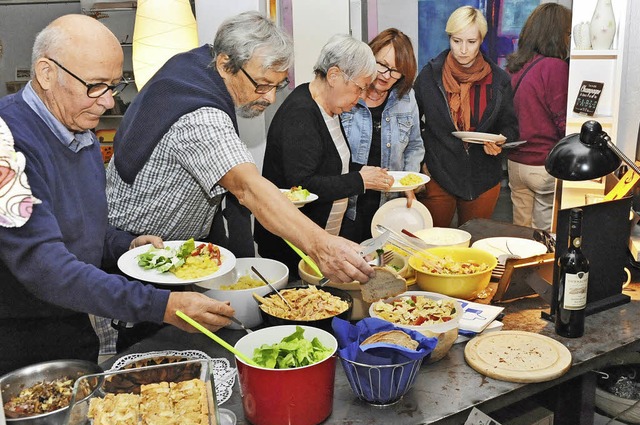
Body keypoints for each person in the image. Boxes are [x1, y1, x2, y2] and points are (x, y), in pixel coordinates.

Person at [0, 15, 236, 375]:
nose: (109, 102)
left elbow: (80, 224)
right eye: (95, 86)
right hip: (19, 337)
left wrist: (123, 245)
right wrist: (161, 305)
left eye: (114, 85)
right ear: (47, 74)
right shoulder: (8, 144)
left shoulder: (79, 129)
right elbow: (44, 265)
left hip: (70, 319)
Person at [106, 12, 374, 287]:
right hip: (137, 257)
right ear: (225, 64)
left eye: (277, 85)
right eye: (261, 84)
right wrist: (321, 245)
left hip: (170, 249)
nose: (270, 97)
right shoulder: (202, 115)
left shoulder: (195, 66)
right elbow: (247, 188)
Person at [254, 34, 392, 275]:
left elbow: (333, 164)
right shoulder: (301, 114)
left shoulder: (329, 107)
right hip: (291, 246)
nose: (360, 97)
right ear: (334, 76)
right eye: (359, 88)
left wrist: (373, 174)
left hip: (321, 240)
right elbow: (302, 185)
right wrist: (360, 180)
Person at [413, 6, 519, 228]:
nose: (462, 50)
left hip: (483, 178)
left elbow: (510, 126)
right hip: (438, 175)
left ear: (481, 40)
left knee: (473, 247)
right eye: (456, 40)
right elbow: (412, 125)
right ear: (449, 38)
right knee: (433, 246)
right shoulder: (429, 76)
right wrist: (421, 163)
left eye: (471, 42)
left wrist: (500, 140)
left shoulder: (498, 80)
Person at [340, 28, 425, 243]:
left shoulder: (406, 98)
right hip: (347, 204)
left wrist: (409, 181)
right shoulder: (348, 92)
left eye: (396, 71)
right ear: (370, 56)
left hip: (388, 204)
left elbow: (415, 146)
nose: (386, 76)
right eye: (382, 65)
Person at [505, 3, 571, 231]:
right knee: (544, 239)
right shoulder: (555, 67)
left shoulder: (514, 67)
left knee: (520, 233)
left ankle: (520, 268)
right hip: (544, 165)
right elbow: (563, 122)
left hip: (515, 164)